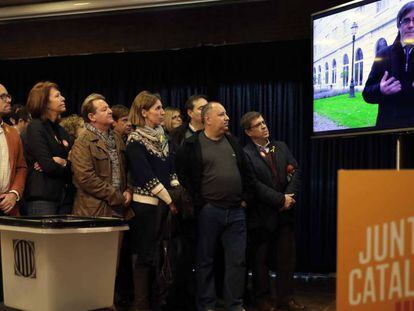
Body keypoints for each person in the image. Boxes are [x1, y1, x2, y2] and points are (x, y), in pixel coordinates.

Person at [176, 101, 252, 311]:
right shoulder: (191, 146)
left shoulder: (233, 142)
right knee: (205, 261)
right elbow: (183, 176)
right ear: (207, 119)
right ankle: (207, 305)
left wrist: (245, 198)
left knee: (237, 261)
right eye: (221, 114)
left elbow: (247, 173)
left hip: (236, 212)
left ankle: (234, 305)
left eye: (226, 114)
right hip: (209, 212)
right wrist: (201, 203)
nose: (227, 118)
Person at [241, 112, 303, 311]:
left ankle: (286, 299)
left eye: (264, 122)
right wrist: (279, 200)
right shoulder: (246, 154)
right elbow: (254, 184)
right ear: (249, 132)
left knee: (286, 260)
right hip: (262, 216)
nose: (264, 127)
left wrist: (289, 196)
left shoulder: (281, 146)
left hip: (285, 214)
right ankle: (263, 299)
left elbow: (295, 171)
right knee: (261, 261)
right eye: (258, 125)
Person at [126, 90, 179, 310]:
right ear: (144, 112)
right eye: (157, 108)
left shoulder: (162, 136)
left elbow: (170, 170)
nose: (161, 111)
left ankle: (160, 300)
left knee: (161, 254)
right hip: (146, 206)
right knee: (144, 255)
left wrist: (177, 190)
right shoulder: (135, 140)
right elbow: (145, 175)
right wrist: (170, 199)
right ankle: (141, 303)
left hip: (165, 204)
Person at [70, 93, 132, 217]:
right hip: (94, 211)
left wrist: (129, 190)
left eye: (109, 108)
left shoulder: (117, 137)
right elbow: (86, 178)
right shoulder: (83, 141)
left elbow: (128, 168)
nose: (110, 111)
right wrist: (114, 195)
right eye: (104, 109)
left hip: (120, 208)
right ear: (92, 116)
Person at [363, 1, 414, 129]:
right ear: (399, 25)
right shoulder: (383, 54)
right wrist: (380, 90)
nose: (411, 25)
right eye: (406, 20)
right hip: (388, 132)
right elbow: (367, 93)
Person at [25, 81, 73, 215]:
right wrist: (64, 163)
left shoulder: (61, 130)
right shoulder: (35, 127)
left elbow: (74, 165)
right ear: (44, 102)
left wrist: (62, 162)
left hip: (64, 197)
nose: (63, 98)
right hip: (43, 199)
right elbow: (48, 166)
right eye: (57, 96)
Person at [0, 84, 27, 217]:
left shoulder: (13, 133)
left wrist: (14, 193)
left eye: (8, 96)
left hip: (8, 207)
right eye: (2, 97)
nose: (9, 100)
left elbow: (21, 167)